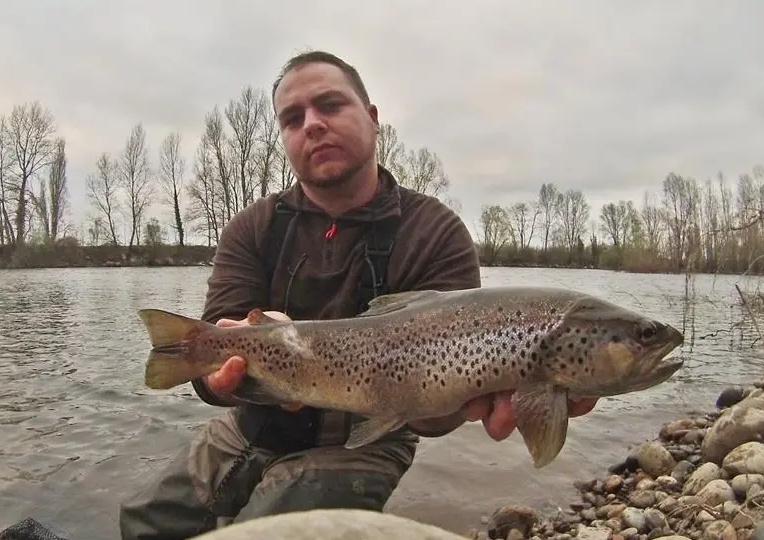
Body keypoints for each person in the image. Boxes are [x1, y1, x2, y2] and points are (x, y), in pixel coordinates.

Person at [118, 50, 598, 540]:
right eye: (292, 118)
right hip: (254, 423)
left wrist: (464, 402)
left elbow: (434, 416)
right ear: (283, 137)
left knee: (269, 531)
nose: (312, 124)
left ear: (371, 118)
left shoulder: (433, 232)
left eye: (330, 105)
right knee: (143, 521)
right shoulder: (253, 228)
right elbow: (204, 367)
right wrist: (220, 379)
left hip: (368, 440)